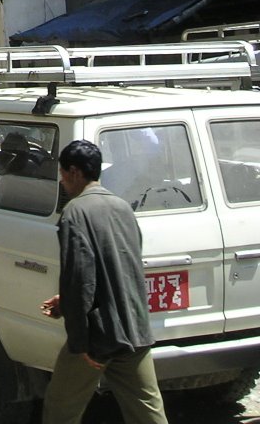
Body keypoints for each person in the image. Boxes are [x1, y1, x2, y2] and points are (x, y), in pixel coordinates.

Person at [40, 139, 168, 424]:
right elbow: (123, 266)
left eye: (62, 175)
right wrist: (66, 301)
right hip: (135, 329)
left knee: (60, 409)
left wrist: (81, 344)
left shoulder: (75, 212)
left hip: (98, 336)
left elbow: (80, 278)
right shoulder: (122, 207)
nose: (62, 182)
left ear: (74, 172)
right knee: (147, 412)